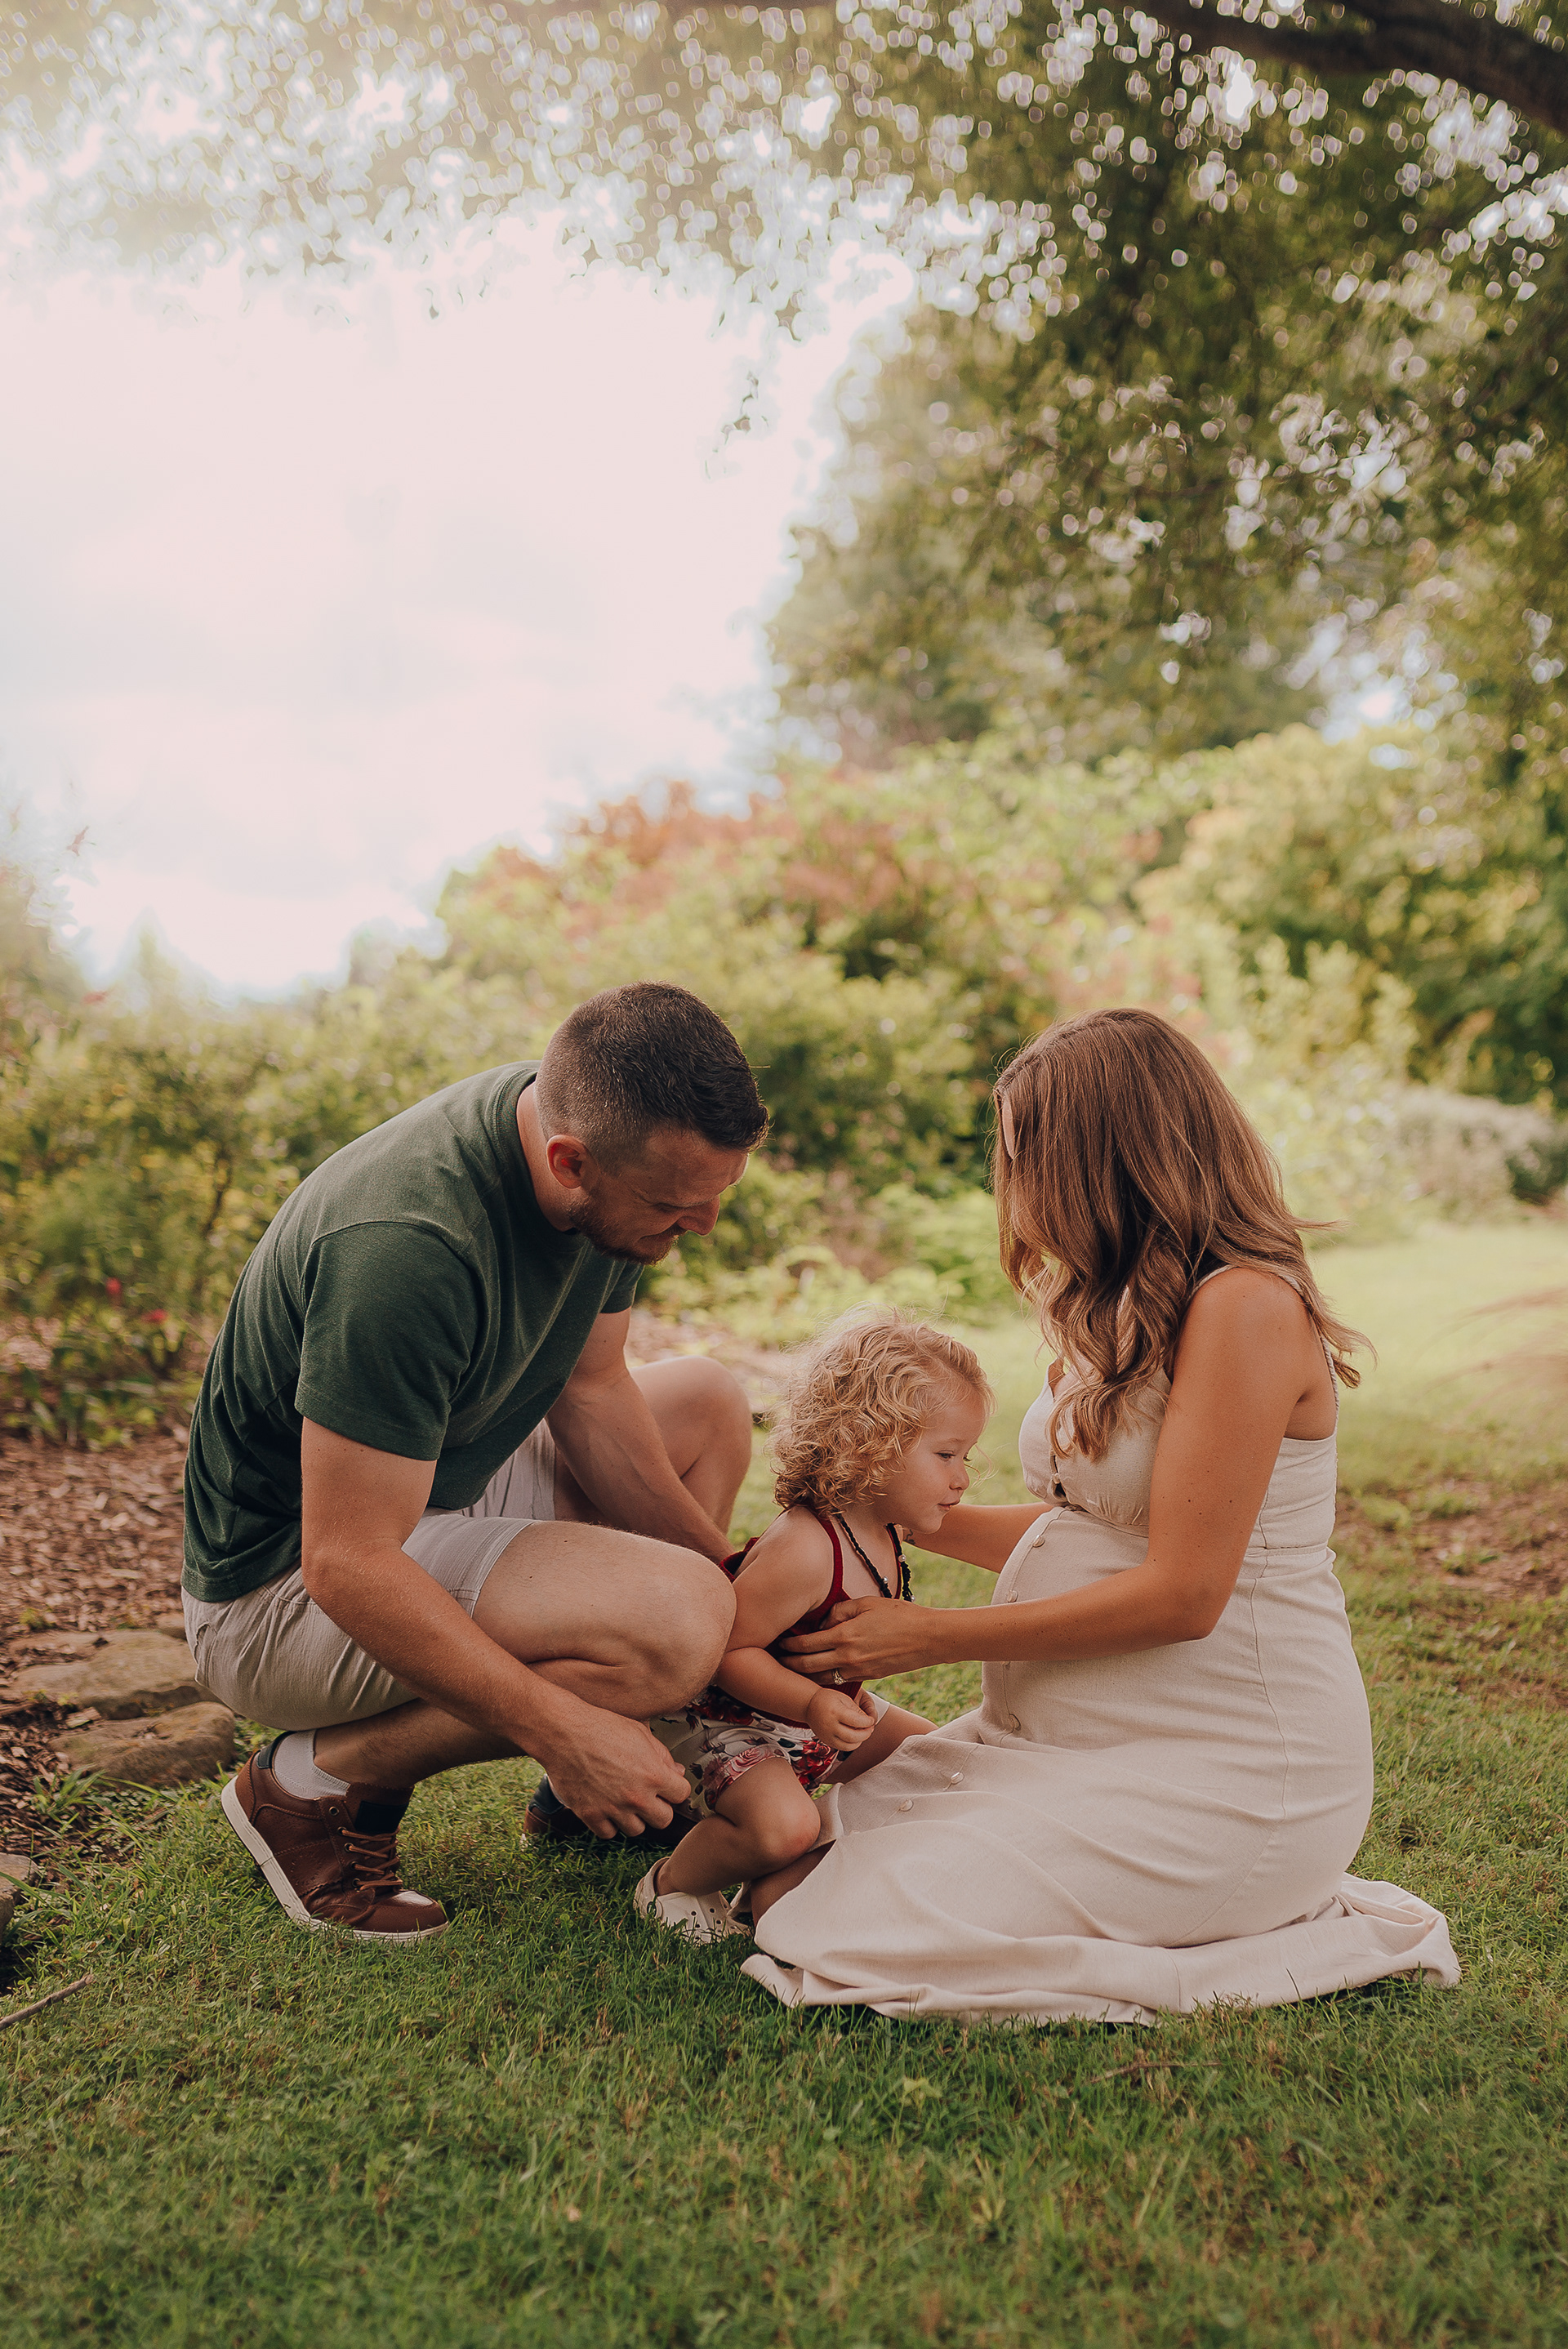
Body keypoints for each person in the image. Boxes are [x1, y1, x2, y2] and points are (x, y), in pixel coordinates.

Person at [739, 1009, 1459, 2022]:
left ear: (1098, 1158)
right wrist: (869, 1508)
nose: (1012, 1184)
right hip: (1070, 1744)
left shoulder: (1246, 1307)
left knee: (833, 1918)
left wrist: (929, 1634)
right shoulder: (1118, 1303)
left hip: (1227, 1769)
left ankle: (1240, 1913)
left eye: (1024, 1155)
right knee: (798, 1862)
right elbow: (1083, 1528)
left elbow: (1184, 1591)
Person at [183, 983, 769, 1945]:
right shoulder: (407, 1244)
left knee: (704, 1404)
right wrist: (563, 1729)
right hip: (278, 1594)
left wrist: (747, 1584)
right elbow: (345, 1561)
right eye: (675, 1204)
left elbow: (591, 1389)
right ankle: (306, 1783)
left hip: (423, 1494)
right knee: (677, 1627)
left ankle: (584, 1795)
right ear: (570, 1161)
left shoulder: (594, 1138)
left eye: (715, 1194)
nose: (702, 1222)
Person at [633, 1314, 991, 1943]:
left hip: (817, 1718)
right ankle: (673, 1883)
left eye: (965, 1456)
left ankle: (786, 1871)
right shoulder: (807, 1547)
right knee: (784, 1828)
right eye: (945, 1455)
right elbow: (724, 1653)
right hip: (732, 1722)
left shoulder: (886, 1524)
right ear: (867, 1444)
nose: (963, 1477)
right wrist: (811, 1704)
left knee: (938, 1762)